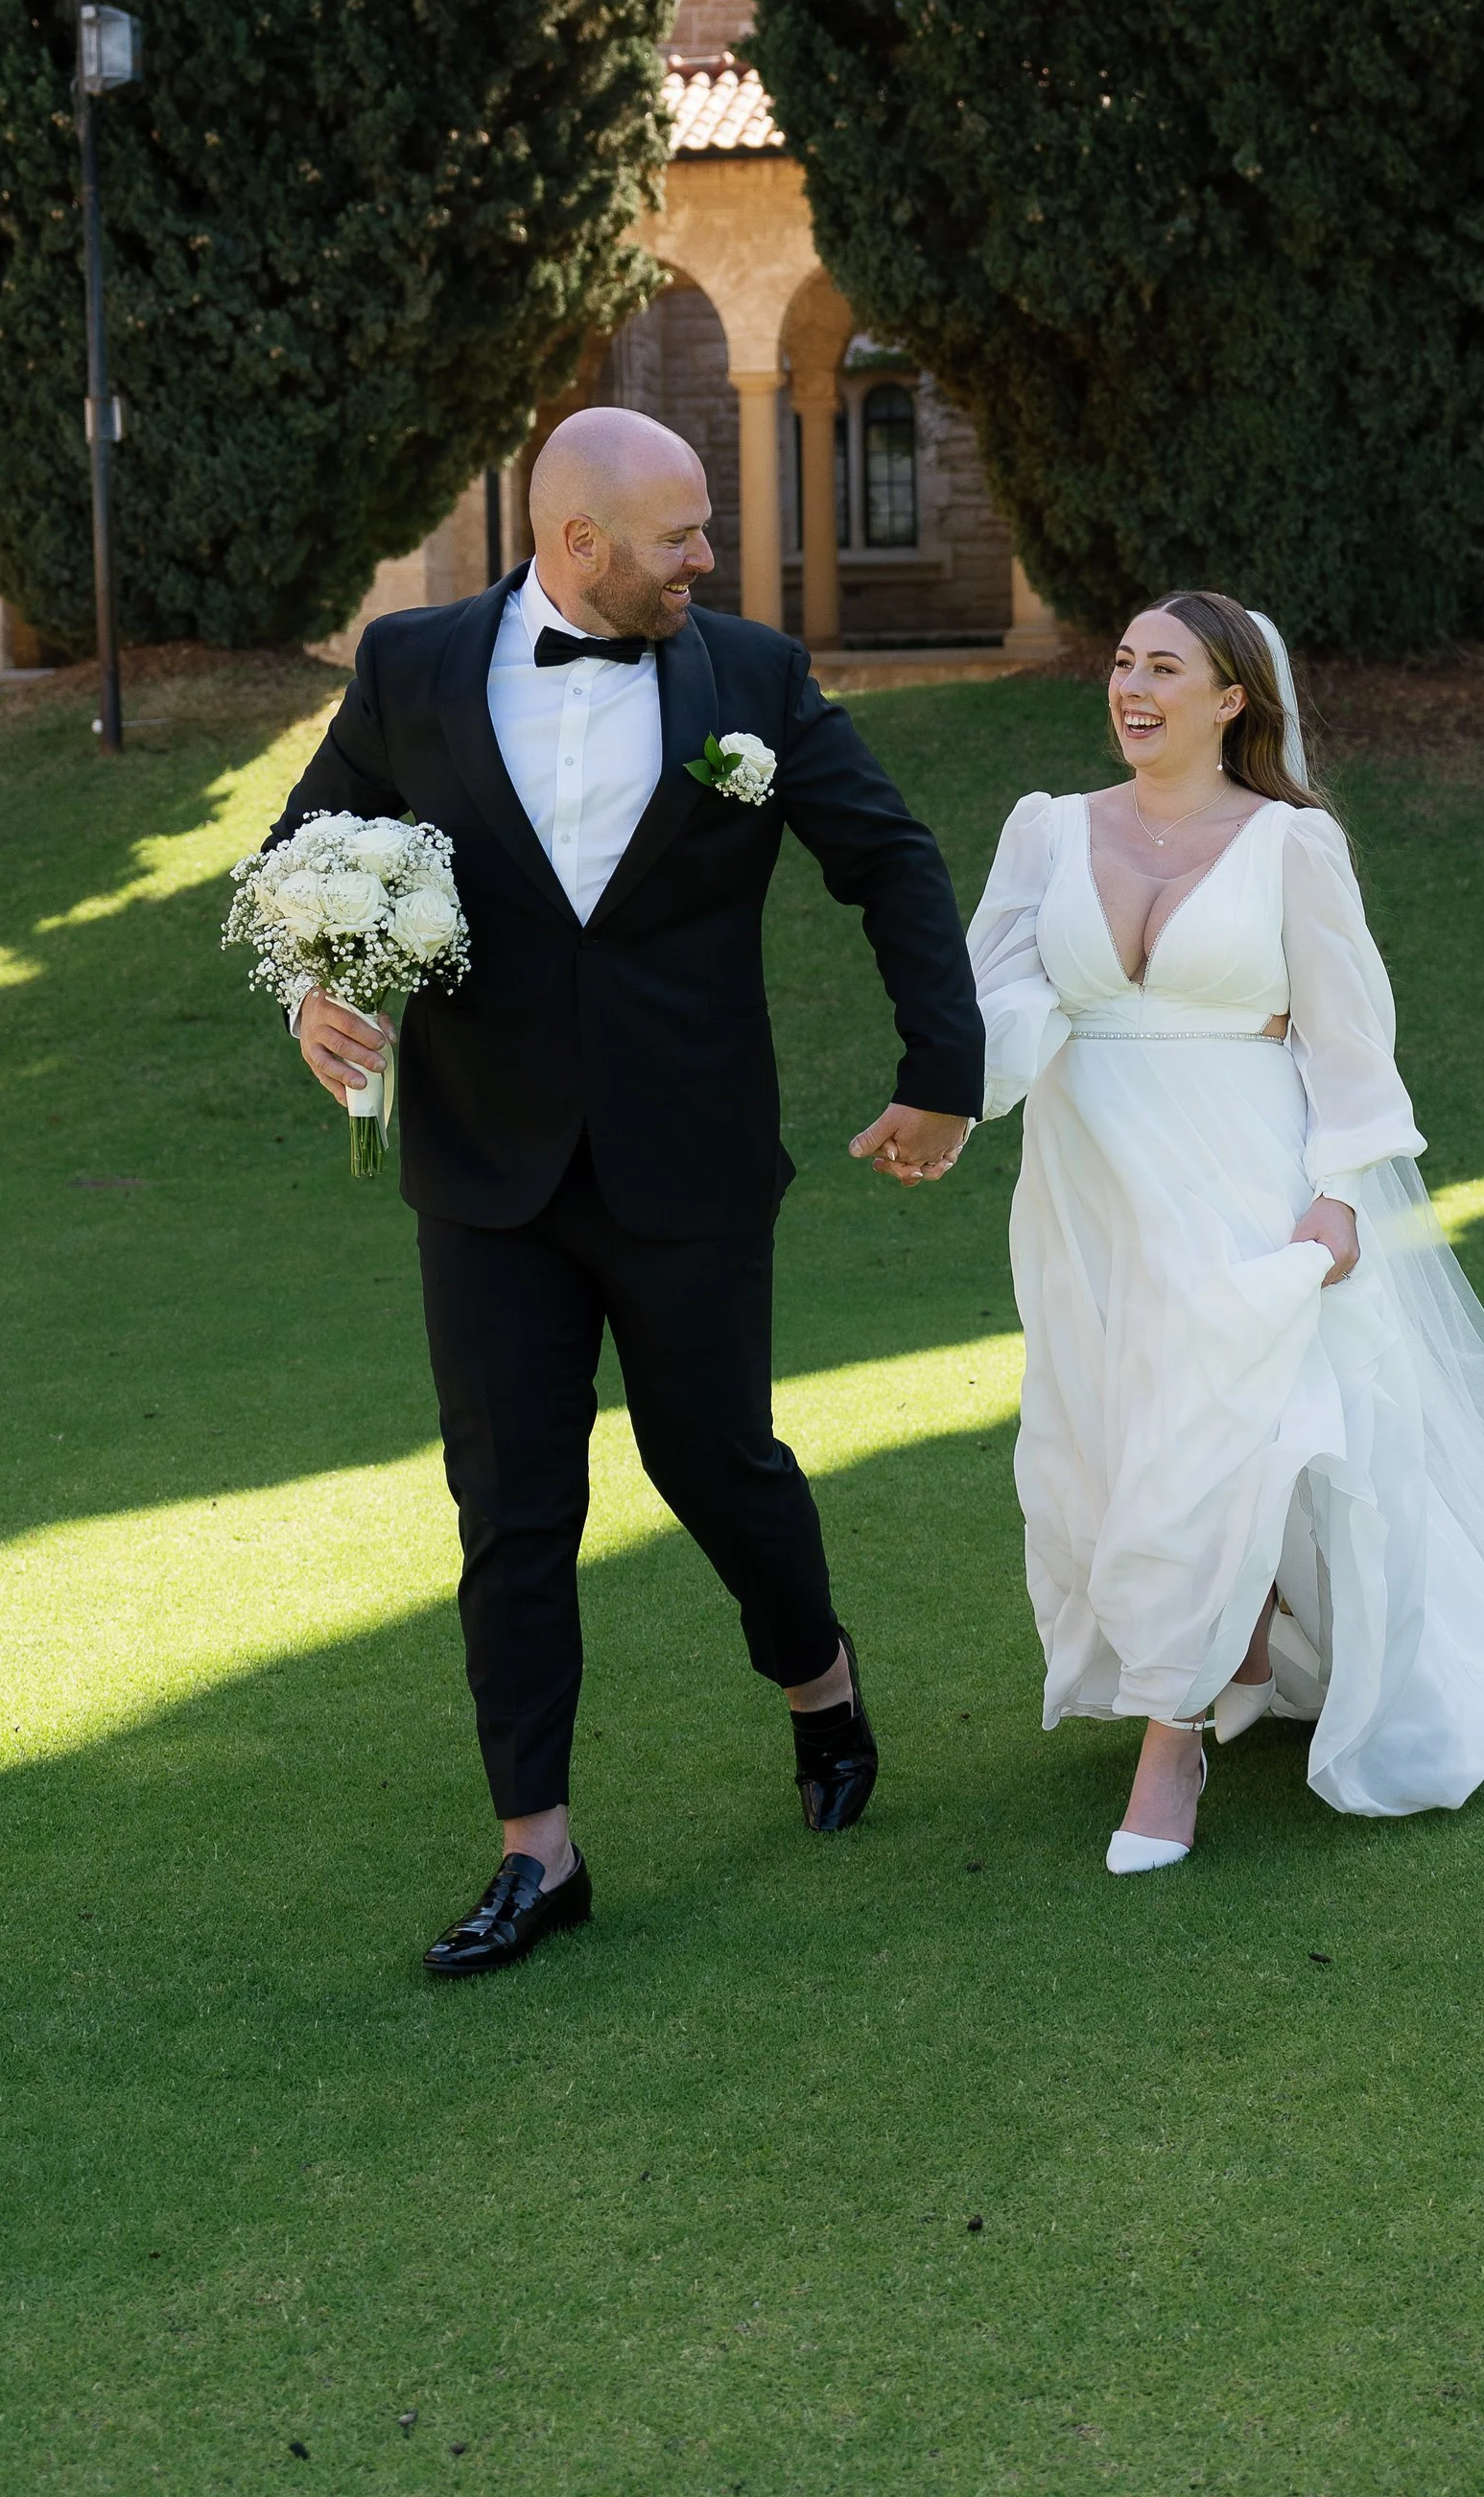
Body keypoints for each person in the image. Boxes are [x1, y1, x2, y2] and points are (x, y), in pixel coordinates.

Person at [271, 407, 981, 1976]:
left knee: (717, 1461)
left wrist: (943, 1065)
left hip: (691, 1154)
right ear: (577, 542)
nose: (708, 559)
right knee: (512, 1507)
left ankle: (817, 1679)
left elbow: (891, 860)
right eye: (682, 535)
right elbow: (307, 844)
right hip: (483, 1167)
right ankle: (540, 1850)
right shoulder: (411, 665)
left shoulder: (755, 679)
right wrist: (319, 988)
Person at [966, 590, 1484, 1872]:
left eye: (1167, 668)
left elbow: (1348, 1043)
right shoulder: (1045, 832)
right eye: (1124, 663)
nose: (1132, 687)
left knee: (1220, 1431)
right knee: (1117, 1436)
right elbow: (988, 998)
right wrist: (938, 1109)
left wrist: (1342, 1191)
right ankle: (1238, 1642)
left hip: (1246, 1177)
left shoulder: (1289, 847)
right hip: (1089, 1189)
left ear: (1233, 698)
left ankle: (1174, 1747)